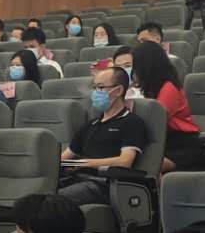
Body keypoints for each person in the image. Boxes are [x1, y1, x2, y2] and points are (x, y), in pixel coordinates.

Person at [59, 64, 148, 207]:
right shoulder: (90, 125)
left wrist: (84, 163)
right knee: (40, 194)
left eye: (100, 88)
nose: (95, 93)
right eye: (94, 88)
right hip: (77, 179)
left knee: (55, 200)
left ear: (118, 91)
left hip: (104, 184)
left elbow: (125, 161)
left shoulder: (131, 122)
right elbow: (65, 157)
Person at [133, 42, 203, 171]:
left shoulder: (168, 88)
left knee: (146, 165)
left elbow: (155, 122)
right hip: (163, 142)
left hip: (182, 144)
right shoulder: (151, 89)